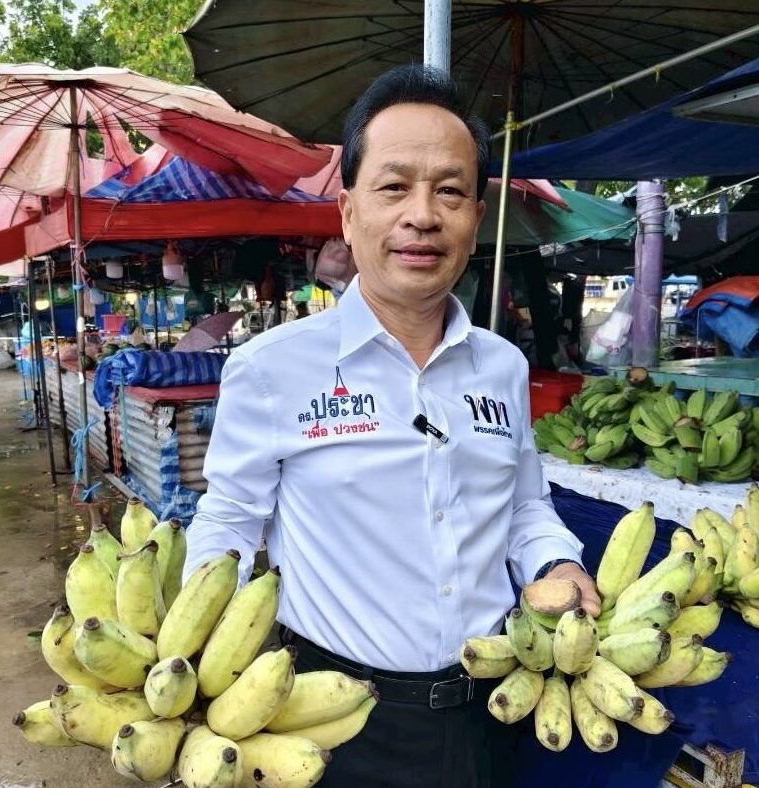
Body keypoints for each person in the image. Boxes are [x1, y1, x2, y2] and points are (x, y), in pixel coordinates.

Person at [185, 63, 600, 788]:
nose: (423, 216)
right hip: (334, 719)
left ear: (476, 217)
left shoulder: (503, 366)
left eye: (450, 191)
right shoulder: (271, 368)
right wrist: (194, 657)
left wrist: (555, 564)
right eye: (394, 187)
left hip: (494, 706)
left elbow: (523, 506)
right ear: (349, 213)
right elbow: (230, 521)